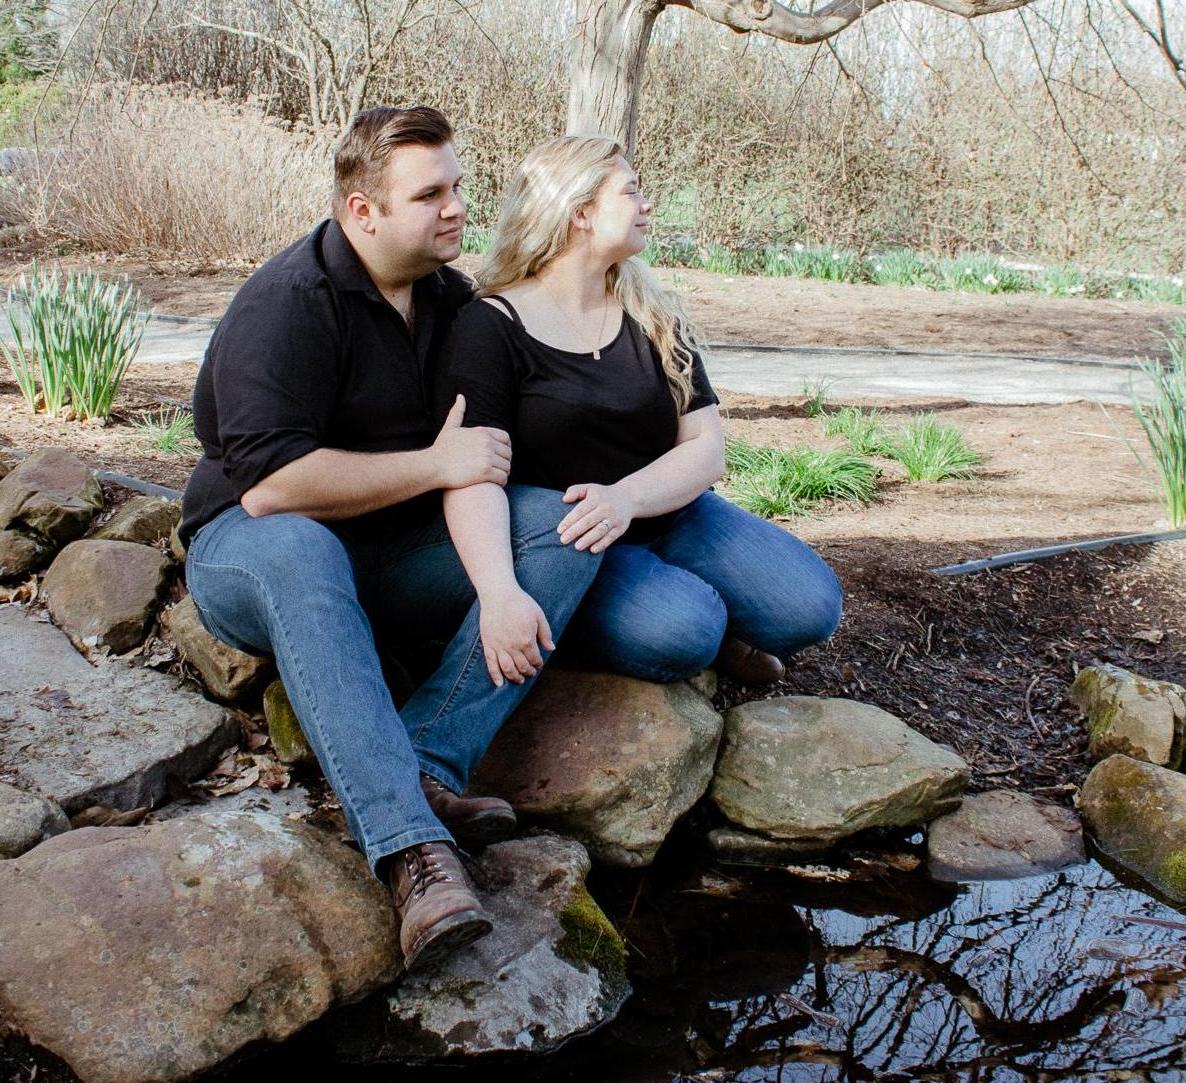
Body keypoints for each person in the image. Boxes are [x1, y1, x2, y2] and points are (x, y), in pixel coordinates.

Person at [179, 108, 604, 972]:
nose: (457, 207)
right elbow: (271, 488)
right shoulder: (288, 303)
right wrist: (436, 464)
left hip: (389, 554)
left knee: (560, 525)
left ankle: (424, 761)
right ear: (362, 211)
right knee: (301, 549)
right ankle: (413, 852)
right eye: (429, 194)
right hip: (251, 553)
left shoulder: (448, 299)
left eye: (458, 187)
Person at [436, 136, 842, 687]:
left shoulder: (652, 313)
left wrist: (626, 498)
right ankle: (613, 621)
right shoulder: (490, 326)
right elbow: (472, 474)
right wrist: (498, 592)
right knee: (686, 631)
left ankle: (703, 609)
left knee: (810, 608)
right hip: (577, 545)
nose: (647, 204)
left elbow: (706, 447)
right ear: (580, 212)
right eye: (630, 192)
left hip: (673, 512)